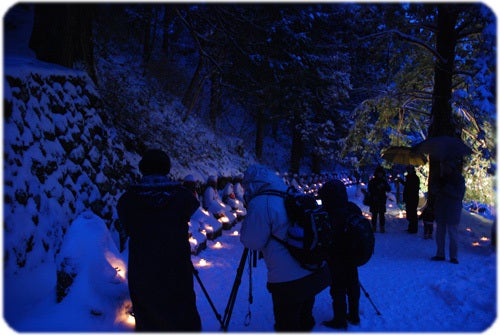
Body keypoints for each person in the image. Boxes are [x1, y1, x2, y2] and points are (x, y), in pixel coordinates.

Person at [117, 149, 202, 331]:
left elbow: (126, 224)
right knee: (181, 313)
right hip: (176, 266)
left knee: (148, 316)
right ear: (167, 168)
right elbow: (193, 205)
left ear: (143, 169)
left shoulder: (128, 200)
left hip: (143, 269)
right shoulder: (182, 197)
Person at [240, 164, 330, 331]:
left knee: (287, 324)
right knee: (304, 318)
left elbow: (251, 241)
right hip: (310, 267)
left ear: (251, 184)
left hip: (287, 281)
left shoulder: (261, 203)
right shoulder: (290, 192)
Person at [318, 179, 362, 330]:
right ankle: (354, 315)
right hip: (353, 255)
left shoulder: (328, 214)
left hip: (336, 256)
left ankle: (340, 320)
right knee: (353, 283)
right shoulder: (352, 209)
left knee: (338, 287)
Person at [430, 159, 466, 264]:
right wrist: (437, 186)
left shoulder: (458, 179)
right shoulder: (440, 178)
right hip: (441, 209)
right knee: (440, 233)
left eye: (446, 167)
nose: (444, 169)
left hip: (453, 210)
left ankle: (453, 256)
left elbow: (459, 194)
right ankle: (440, 254)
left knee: (452, 233)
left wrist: (446, 187)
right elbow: (433, 190)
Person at [368, 165, 391, 233]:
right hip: (374, 199)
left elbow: (388, 189)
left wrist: (385, 186)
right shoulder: (372, 181)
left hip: (381, 199)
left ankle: (382, 226)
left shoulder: (384, 181)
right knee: (374, 214)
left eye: (381, 173)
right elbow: (370, 189)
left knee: (382, 214)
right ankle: (374, 226)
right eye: (379, 173)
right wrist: (376, 189)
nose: (380, 174)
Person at [401, 165, 420, 234]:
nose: (408, 171)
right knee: (409, 213)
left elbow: (410, 187)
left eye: (409, 170)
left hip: (413, 198)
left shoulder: (415, 178)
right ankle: (411, 227)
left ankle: (413, 228)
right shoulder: (409, 177)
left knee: (412, 213)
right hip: (409, 198)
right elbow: (407, 186)